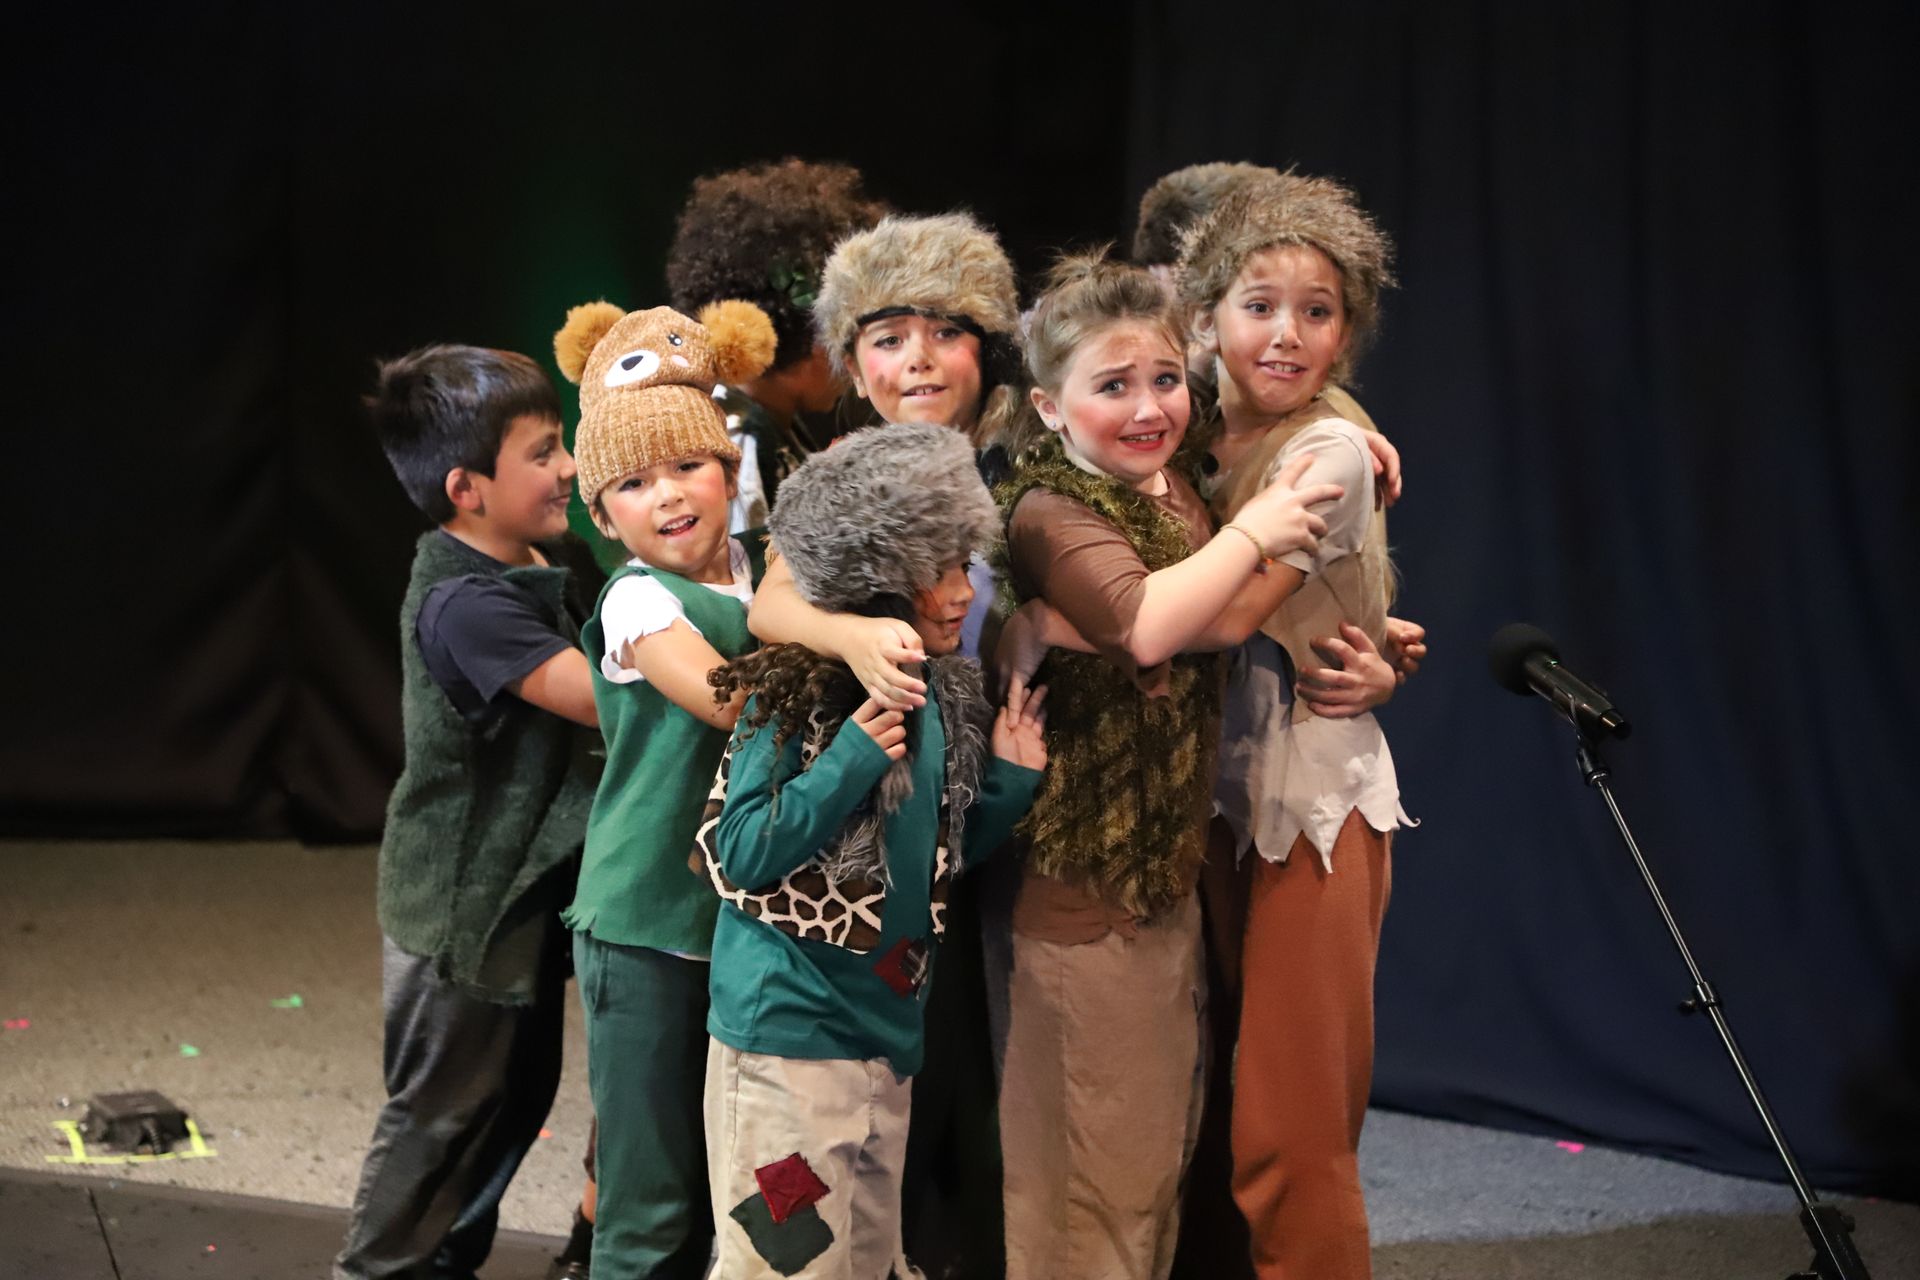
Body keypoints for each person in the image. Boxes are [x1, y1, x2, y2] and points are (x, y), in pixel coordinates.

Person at [990, 251, 1342, 1280]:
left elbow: (1219, 617)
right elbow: (1153, 623)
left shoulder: (1173, 486)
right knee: (1086, 1173)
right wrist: (1267, 531)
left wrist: (1356, 443)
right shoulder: (1052, 511)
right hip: (1078, 888)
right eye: (1112, 386)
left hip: (1157, 880)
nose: (1147, 407)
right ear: (1051, 411)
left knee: (1147, 1157)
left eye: (1159, 380)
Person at [747, 209, 1028, 1274]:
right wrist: (852, 627)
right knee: (847, 1123)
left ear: (986, 349)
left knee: (960, 1095)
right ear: (853, 363)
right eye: (889, 334)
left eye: (947, 330)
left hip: (986, 806)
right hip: (869, 838)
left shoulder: (1022, 459)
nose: (919, 356)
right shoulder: (845, 477)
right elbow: (773, 604)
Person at [698, 423, 1047, 1278]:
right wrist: (853, 757)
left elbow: (925, 864)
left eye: (965, 564)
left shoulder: (934, 693)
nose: (964, 592)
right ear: (876, 581)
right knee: (784, 1266)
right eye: (939, 570)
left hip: (881, 1044)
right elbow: (734, 850)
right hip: (787, 1045)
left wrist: (1007, 785)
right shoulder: (793, 690)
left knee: (866, 1263)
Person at [1179, 170, 1414, 1280]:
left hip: (1308, 797)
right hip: (1211, 794)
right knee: (1211, 1093)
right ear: (1209, 314)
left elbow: (1218, 617)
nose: (1285, 334)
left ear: (1346, 333)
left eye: (1316, 312)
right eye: (1259, 305)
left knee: (1289, 1123)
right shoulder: (1180, 425)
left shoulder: (1327, 454)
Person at [336, 344, 602, 1280]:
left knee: (512, 1099)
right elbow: (602, 693)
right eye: (542, 451)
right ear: (467, 488)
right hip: (461, 911)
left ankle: (442, 1263)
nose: (568, 466)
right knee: (441, 1117)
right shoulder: (463, 602)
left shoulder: (545, 554)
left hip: (517, 904)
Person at [552, 298, 778, 1278]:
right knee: (650, 1198)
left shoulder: (766, 571)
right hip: (646, 925)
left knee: (751, 1177)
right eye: (635, 484)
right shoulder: (638, 597)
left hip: (743, 923)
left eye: (688, 466)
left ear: (728, 472)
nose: (670, 496)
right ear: (603, 517)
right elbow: (731, 702)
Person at [664, 158, 889, 530]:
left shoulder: (769, 425)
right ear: (807, 333)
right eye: (844, 336)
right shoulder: (735, 439)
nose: (853, 362)